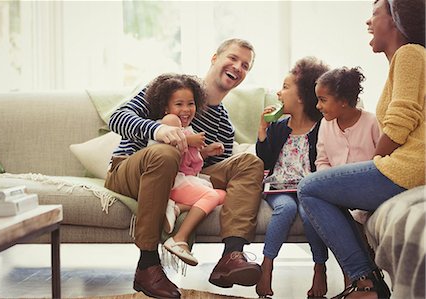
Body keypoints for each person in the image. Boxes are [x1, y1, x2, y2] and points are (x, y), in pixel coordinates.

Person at [105, 38, 264, 299]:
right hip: (130, 170)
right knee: (165, 153)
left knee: (249, 162)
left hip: (181, 177)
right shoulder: (169, 91)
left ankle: (231, 257)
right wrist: (159, 129)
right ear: (214, 58)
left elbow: (202, 172)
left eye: (245, 65)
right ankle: (147, 264)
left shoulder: (224, 124)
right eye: (233, 58)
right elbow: (117, 118)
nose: (238, 66)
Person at [297, 0, 425, 298]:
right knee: (321, 189)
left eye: (374, 14)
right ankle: (367, 282)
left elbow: (401, 120)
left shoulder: (409, 54)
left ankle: (365, 282)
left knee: (310, 188)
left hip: (409, 168)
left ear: (395, 20)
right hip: (407, 167)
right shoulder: (407, 59)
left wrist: (377, 161)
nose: (368, 23)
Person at [255, 56, 330, 298]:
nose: (278, 93)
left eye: (285, 88)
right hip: (279, 188)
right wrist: (262, 132)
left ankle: (320, 267)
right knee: (285, 209)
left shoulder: (322, 128)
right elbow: (266, 160)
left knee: (309, 215)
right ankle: (267, 267)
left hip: (309, 189)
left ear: (302, 97)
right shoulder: (278, 127)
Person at [145, 73, 226, 267]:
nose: (186, 109)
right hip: (172, 182)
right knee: (213, 197)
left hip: (185, 180)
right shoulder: (168, 122)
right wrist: (190, 140)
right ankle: (179, 238)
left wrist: (205, 152)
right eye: (179, 104)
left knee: (224, 194)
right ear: (166, 108)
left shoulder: (186, 128)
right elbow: (171, 144)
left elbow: (186, 160)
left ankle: (177, 207)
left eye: (190, 103)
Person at [315, 66, 381, 287]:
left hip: (366, 189)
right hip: (338, 191)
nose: (318, 106)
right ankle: (355, 280)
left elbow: (383, 161)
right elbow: (322, 161)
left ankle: (366, 278)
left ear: (343, 101)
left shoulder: (371, 122)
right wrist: (328, 182)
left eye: (323, 100)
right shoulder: (326, 125)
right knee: (327, 207)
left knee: (357, 219)